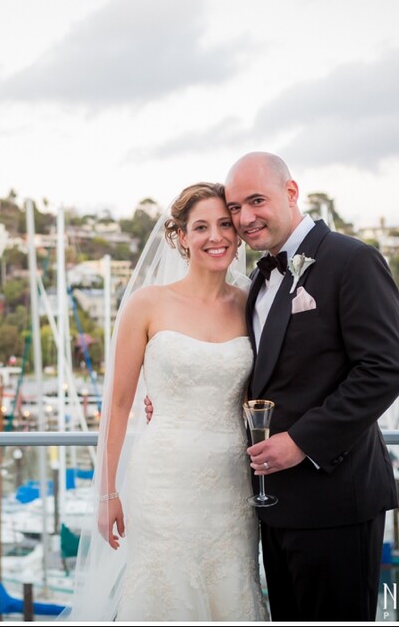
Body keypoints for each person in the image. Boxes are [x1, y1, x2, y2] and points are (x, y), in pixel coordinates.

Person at [147, 152, 399, 620]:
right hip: (269, 507)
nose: (245, 218)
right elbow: (249, 372)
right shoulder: (255, 283)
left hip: (336, 500)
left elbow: (384, 369)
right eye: (236, 208)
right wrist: (172, 395)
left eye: (256, 201)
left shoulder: (353, 260)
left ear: (291, 193)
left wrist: (303, 442)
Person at [65, 182, 268, 621]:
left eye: (224, 225)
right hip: (163, 483)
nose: (216, 237)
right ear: (180, 237)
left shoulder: (252, 304)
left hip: (232, 486)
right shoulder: (146, 304)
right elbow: (118, 405)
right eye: (201, 227)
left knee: (231, 591)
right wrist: (107, 494)